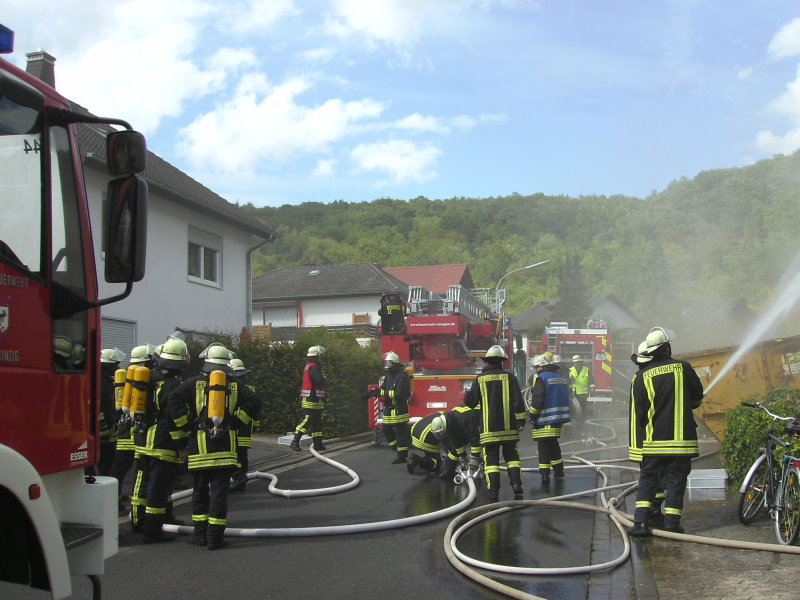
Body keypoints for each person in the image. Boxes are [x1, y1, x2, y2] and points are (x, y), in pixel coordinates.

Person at [168, 343, 260, 550]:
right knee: (219, 494)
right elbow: (255, 401)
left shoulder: (193, 383)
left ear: (207, 362)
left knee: (199, 492)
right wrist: (236, 421)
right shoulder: (234, 384)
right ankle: (215, 538)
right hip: (225, 450)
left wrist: (186, 424)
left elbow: (173, 399)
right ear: (226, 364)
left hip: (199, 450)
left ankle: (199, 535)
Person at [627, 327, 704, 536]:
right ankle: (672, 524)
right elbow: (697, 398)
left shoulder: (642, 376)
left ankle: (640, 523)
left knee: (648, 479)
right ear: (668, 348)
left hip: (653, 442)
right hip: (682, 442)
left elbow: (639, 413)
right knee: (677, 480)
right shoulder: (683, 368)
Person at [139, 338, 191, 543]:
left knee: (158, 485)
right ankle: (152, 531)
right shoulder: (175, 387)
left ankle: (164, 519)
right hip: (163, 444)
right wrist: (183, 446)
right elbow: (176, 420)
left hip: (147, 440)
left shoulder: (154, 380)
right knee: (158, 488)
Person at [464, 345, 526, 502]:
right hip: (509, 428)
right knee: (512, 457)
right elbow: (518, 401)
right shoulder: (510, 377)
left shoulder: (480, 379)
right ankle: (516, 485)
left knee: (491, 461)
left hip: (488, 429)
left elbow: (471, 403)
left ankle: (493, 491)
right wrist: (520, 420)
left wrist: (467, 394)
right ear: (501, 361)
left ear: (487, 361)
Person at [110, 344, 155, 517]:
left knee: (120, 469)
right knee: (138, 472)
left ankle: (114, 500)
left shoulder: (126, 378)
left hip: (124, 430)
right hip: (137, 432)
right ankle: (129, 507)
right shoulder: (144, 378)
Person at [628, 341, 668, 529]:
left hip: (643, 440)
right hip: (651, 439)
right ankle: (654, 510)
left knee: (649, 476)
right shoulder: (649, 378)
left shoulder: (639, 378)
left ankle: (646, 515)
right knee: (656, 477)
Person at [529, 351, 570, 485]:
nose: (536, 369)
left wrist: (532, 414)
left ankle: (545, 475)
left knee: (543, 446)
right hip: (557, 418)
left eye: (537, 367)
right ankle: (559, 471)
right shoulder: (559, 378)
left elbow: (538, 399)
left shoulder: (542, 378)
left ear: (542, 366)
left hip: (544, 419)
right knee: (553, 444)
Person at [364, 351, 412, 464]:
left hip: (399, 409)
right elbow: (383, 390)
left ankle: (402, 456)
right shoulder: (388, 376)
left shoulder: (402, 376)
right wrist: (373, 392)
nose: (387, 366)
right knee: (386, 429)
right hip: (389, 408)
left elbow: (399, 394)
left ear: (395, 364)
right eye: (386, 363)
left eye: (389, 363)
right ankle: (396, 448)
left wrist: (382, 393)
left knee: (400, 434)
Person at [407, 405, 480, 478]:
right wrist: (461, 456)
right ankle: (422, 464)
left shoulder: (459, 420)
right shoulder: (449, 418)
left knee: (450, 451)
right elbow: (455, 443)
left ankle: (421, 462)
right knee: (438, 462)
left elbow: (474, 438)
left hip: (416, 433)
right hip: (423, 438)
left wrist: (473, 457)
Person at [229, 358, 262, 492]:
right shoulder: (250, 389)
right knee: (242, 454)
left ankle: (239, 478)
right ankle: (241, 481)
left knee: (233, 454)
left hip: (234, 427)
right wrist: (255, 425)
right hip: (246, 427)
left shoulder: (232, 388)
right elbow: (256, 411)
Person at [290, 345, 328, 452]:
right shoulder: (314, 367)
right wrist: (324, 377)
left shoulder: (310, 366)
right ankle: (295, 442)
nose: (321, 359)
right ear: (316, 356)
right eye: (320, 356)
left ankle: (318, 444)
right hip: (311, 399)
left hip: (315, 399)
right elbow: (318, 381)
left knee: (317, 423)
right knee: (307, 420)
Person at [96, 348, 125, 476]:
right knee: (103, 466)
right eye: (116, 364)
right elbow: (99, 408)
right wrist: (103, 432)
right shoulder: (102, 382)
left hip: (106, 435)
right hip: (103, 437)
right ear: (108, 366)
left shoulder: (104, 380)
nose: (118, 367)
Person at [568, 354, 594, 419]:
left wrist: (592, 387)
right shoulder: (570, 370)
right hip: (573, 394)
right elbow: (567, 381)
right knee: (573, 409)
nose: (576, 363)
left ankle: (582, 421)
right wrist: (570, 380)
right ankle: (575, 421)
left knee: (583, 408)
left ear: (580, 362)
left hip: (583, 394)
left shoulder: (586, 370)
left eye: (577, 362)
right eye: (575, 362)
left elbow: (591, 380)